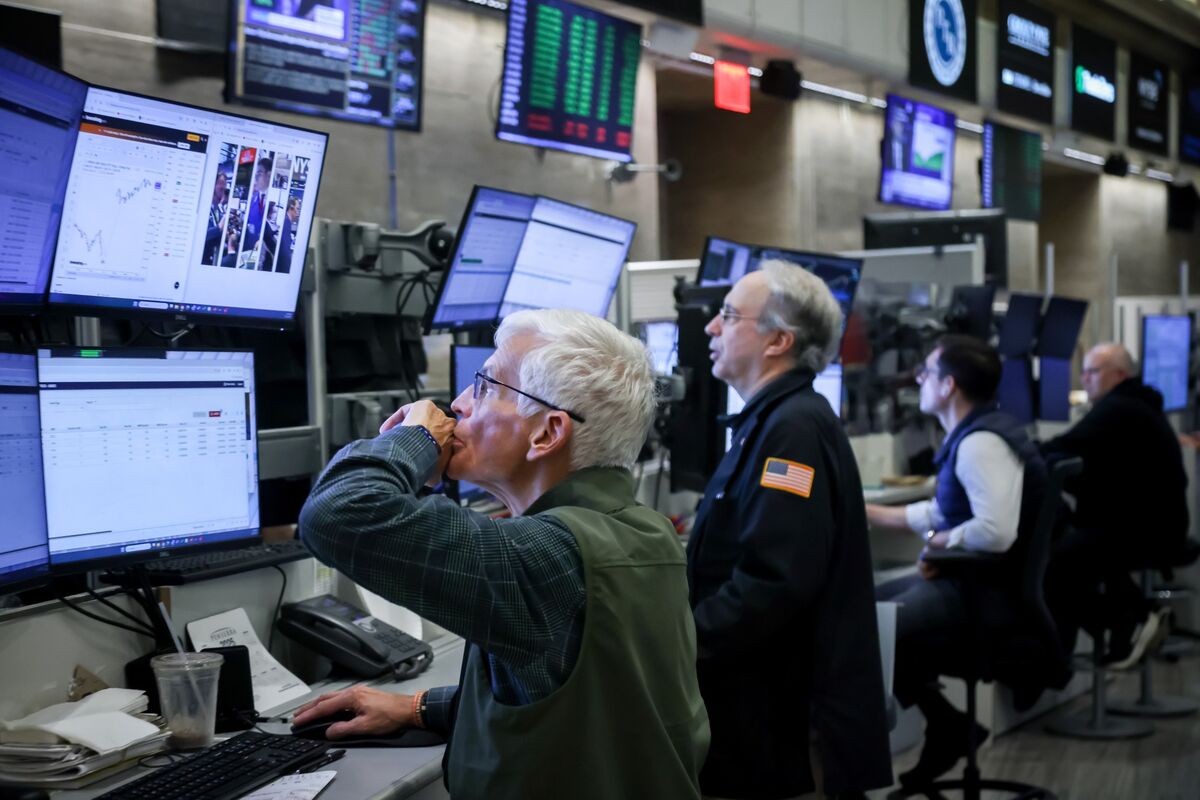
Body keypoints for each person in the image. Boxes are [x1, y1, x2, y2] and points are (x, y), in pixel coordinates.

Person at [294, 309, 710, 799]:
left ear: (547, 433)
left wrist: (416, 438)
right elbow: (588, 702)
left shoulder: (550, 555)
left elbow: (337, 512)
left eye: (485, 386)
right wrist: (420, 708)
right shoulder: (645, 532)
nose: (458, 404)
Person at [687, 261, 891, 799]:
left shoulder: (792, 431)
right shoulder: (774, 421)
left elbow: (774, 581)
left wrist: (677, 641)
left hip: (782, 718)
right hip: (763, 708)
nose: (711, 326)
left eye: (729, 315)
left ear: (778, 340)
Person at [866, 336, 1048, 790]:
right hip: (977, 583)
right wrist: (869, 511)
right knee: (863, 606)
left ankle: (929, 734)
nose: (919, 382)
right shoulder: (977, 434)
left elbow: (994, 530)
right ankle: (947, 724)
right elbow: (946, 510)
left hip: (982, 594)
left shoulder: (979, 445)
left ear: (949, 386)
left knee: (864, 626)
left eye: (926, 373)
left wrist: (937, 543)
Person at [1042, 343, 1187, 667]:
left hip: (1145, 529)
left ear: (1119, 375)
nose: (1084, 379)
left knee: (1055, 565)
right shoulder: (1138, 404)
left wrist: (1019, 451)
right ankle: (1133, 623)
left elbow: (1063, 446)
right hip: (1154, 523)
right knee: (1077, 551)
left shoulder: (1119, 408)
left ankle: (1132, 621)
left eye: (1092, 372)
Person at [244, 156, 272, 247]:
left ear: (269, 175)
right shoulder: (253, 198)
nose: (255, 178)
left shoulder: (274, 200)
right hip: (249, 248)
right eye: (255, 174)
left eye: (259, 174)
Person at [203, 172, 227, 265]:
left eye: (224, 184)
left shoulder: (218, 208)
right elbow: (204, 235)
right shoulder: (205, 207)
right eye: (220, 183)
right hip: (204, 260)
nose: (223, 187)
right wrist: (219, 227)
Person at [275, 197, 299, 274]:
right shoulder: (286, 223)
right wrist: (286, 271)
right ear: (291, 208)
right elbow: (285, 251)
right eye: (297, 208)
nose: (298, 212)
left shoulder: (286, 221)